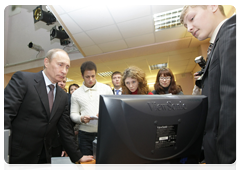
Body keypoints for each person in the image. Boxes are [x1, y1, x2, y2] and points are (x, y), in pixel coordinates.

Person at [4, 49, 93, 167]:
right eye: (60, 65)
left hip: (45, 156)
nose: (64, 71)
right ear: (46, 62)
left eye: (67, 67)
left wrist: (78, 156)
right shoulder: (24, 80)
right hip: (18, 155)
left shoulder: (63, 96)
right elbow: (5, 115)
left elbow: (65, 129)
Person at [180, 5, 238, 170]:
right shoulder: (218, 43)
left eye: (191, 19)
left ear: (212, 5)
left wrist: (228, 162)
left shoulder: (232, 32)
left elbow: (233, 105)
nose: (189, 28)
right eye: (186, 26)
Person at [70, 61, 113, 155]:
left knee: (106, 161)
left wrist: (104, 114)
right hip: (85, 135)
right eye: (87, 77)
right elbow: (73, 114)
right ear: (82, 76)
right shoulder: (76, 94)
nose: (91, 79)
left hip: (104, 133)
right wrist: (81, 118)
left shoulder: (106, 89)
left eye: (93, 76)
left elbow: (114, 110)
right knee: (87, 164)